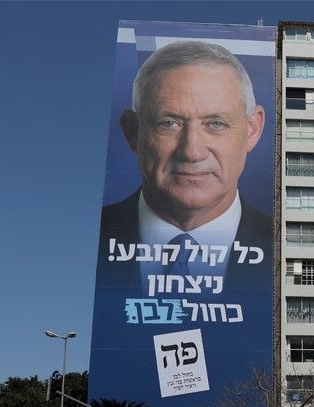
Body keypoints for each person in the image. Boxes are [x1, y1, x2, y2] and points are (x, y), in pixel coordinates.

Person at [99, 40, 272, 290]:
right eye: (169, 123)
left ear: (252, 129)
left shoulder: (287, 249)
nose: (192, 152)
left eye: (216, 124)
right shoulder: (89, 240)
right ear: (132, 132)